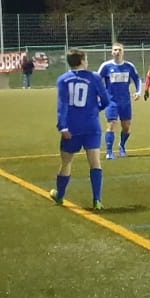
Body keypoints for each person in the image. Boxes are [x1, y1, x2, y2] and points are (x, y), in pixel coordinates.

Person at [50, 49, 109, 210]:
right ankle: (97, 200)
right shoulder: (94, 77)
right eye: (86, 59)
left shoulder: (63, 79)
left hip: (71, 127)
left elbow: (62, 105)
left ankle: (60, 196)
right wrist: (95, 109)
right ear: (82, 61)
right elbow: (106, 100)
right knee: (95, 162)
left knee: (66, 162)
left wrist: (62, 126)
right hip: (91, 126)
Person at [98, 43, 141, 159]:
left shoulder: (129, 66)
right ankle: (109, 152)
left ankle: (122, 146)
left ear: (123, 52)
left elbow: (137, 79)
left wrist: (138, 91)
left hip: (125, 101)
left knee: (126, 127)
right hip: (111, 101)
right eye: (115, 50)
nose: (117, 52)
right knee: (111, 124)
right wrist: (98, 94)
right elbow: (97, 80)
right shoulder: (106, 66)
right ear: (112, 52)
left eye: (119, 50)